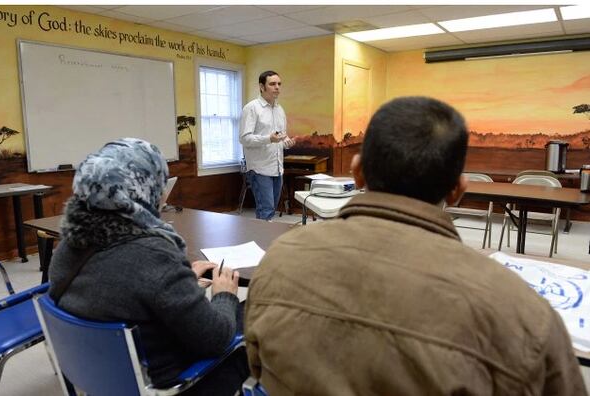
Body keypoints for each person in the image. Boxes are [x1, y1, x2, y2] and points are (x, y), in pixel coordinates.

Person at [244, 97, 586, 395]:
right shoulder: (525, 316)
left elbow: (256, 368)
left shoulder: (280, 259)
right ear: (458, 190)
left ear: (357, 173)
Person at [48, 138, 249, 395]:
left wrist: (182, 282)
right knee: (258, 314)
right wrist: (224, 293)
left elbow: (126, 289)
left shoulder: (68, 245)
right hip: (172, 382)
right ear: (142, 189)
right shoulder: (155, 257)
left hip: (103, 377)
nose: (164, 193)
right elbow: (217, 339)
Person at [240, 70, 294, 221]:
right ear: (261, 87)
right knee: (266, 210)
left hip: (277, 168)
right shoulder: (251, 108)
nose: (277, 87)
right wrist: (268, 139)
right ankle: (262, 243)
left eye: (279, 84)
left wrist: (287, 141)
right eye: (272, 84)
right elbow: (244, 138)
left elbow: (281, 135)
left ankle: (264, 239)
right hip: (259, 168)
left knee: (271, 210)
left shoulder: (279, 109)